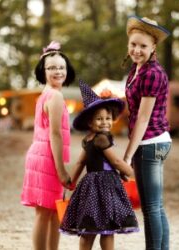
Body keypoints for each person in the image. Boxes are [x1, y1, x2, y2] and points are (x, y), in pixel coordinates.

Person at [60, 80, 139, 250]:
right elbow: (116, 161)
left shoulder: (87, 139)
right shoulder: (102, 138)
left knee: (89, 228)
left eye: (108, 118)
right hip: (105, 187)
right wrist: (134, 173)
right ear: (90, 122)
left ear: (113, 119)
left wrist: (72, 181)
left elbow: (81, 162)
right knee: (107, 229)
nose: (105, 122)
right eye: (99, 119)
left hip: (90, 187)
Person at [122, 15, 172, 250]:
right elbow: (133, 108)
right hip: (152, 141)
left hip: (150, 143)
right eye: (133, 44)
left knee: (151, 207)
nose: (137, 50)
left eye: (143, 46)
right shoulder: (136, 69)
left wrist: (127, 155)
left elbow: (143, 118)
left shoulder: (152, 73)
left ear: (153, 47)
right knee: (156, 205)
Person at [21, 41, 75, 250]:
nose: (58, 71)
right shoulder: (55, 96)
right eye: (52, 67)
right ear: (43, 71)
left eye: (61, 67)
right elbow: (55, 134)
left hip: (41, 154)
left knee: (53, 212)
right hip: (47, 158)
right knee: (44, 213)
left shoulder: (45, 94)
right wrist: (62, 170)